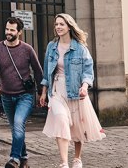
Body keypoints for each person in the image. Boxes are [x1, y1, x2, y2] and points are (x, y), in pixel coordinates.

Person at [39, 13, 104, 168]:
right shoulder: (51, 46)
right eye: (56, 24)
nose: (58, 27)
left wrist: (85, 86)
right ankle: (63, 163)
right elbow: (47, 71)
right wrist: (43, 92)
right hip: (57, 91)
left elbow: (88, 71)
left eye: (61, 24)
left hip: (76, 91)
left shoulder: (80, 48)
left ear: (69, 26)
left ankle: (77, 158)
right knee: (61, 120)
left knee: (76, 126)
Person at [0, 16, 43, 168]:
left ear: (19, 32)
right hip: (6, 97)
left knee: (18, 124)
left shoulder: (27, 50)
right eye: (7, 29)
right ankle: (24, 158)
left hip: (25, 95)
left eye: (12, 30)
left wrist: (43, 93)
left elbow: (38, 72)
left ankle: (14, 159)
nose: (8, 32)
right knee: (16, 128)